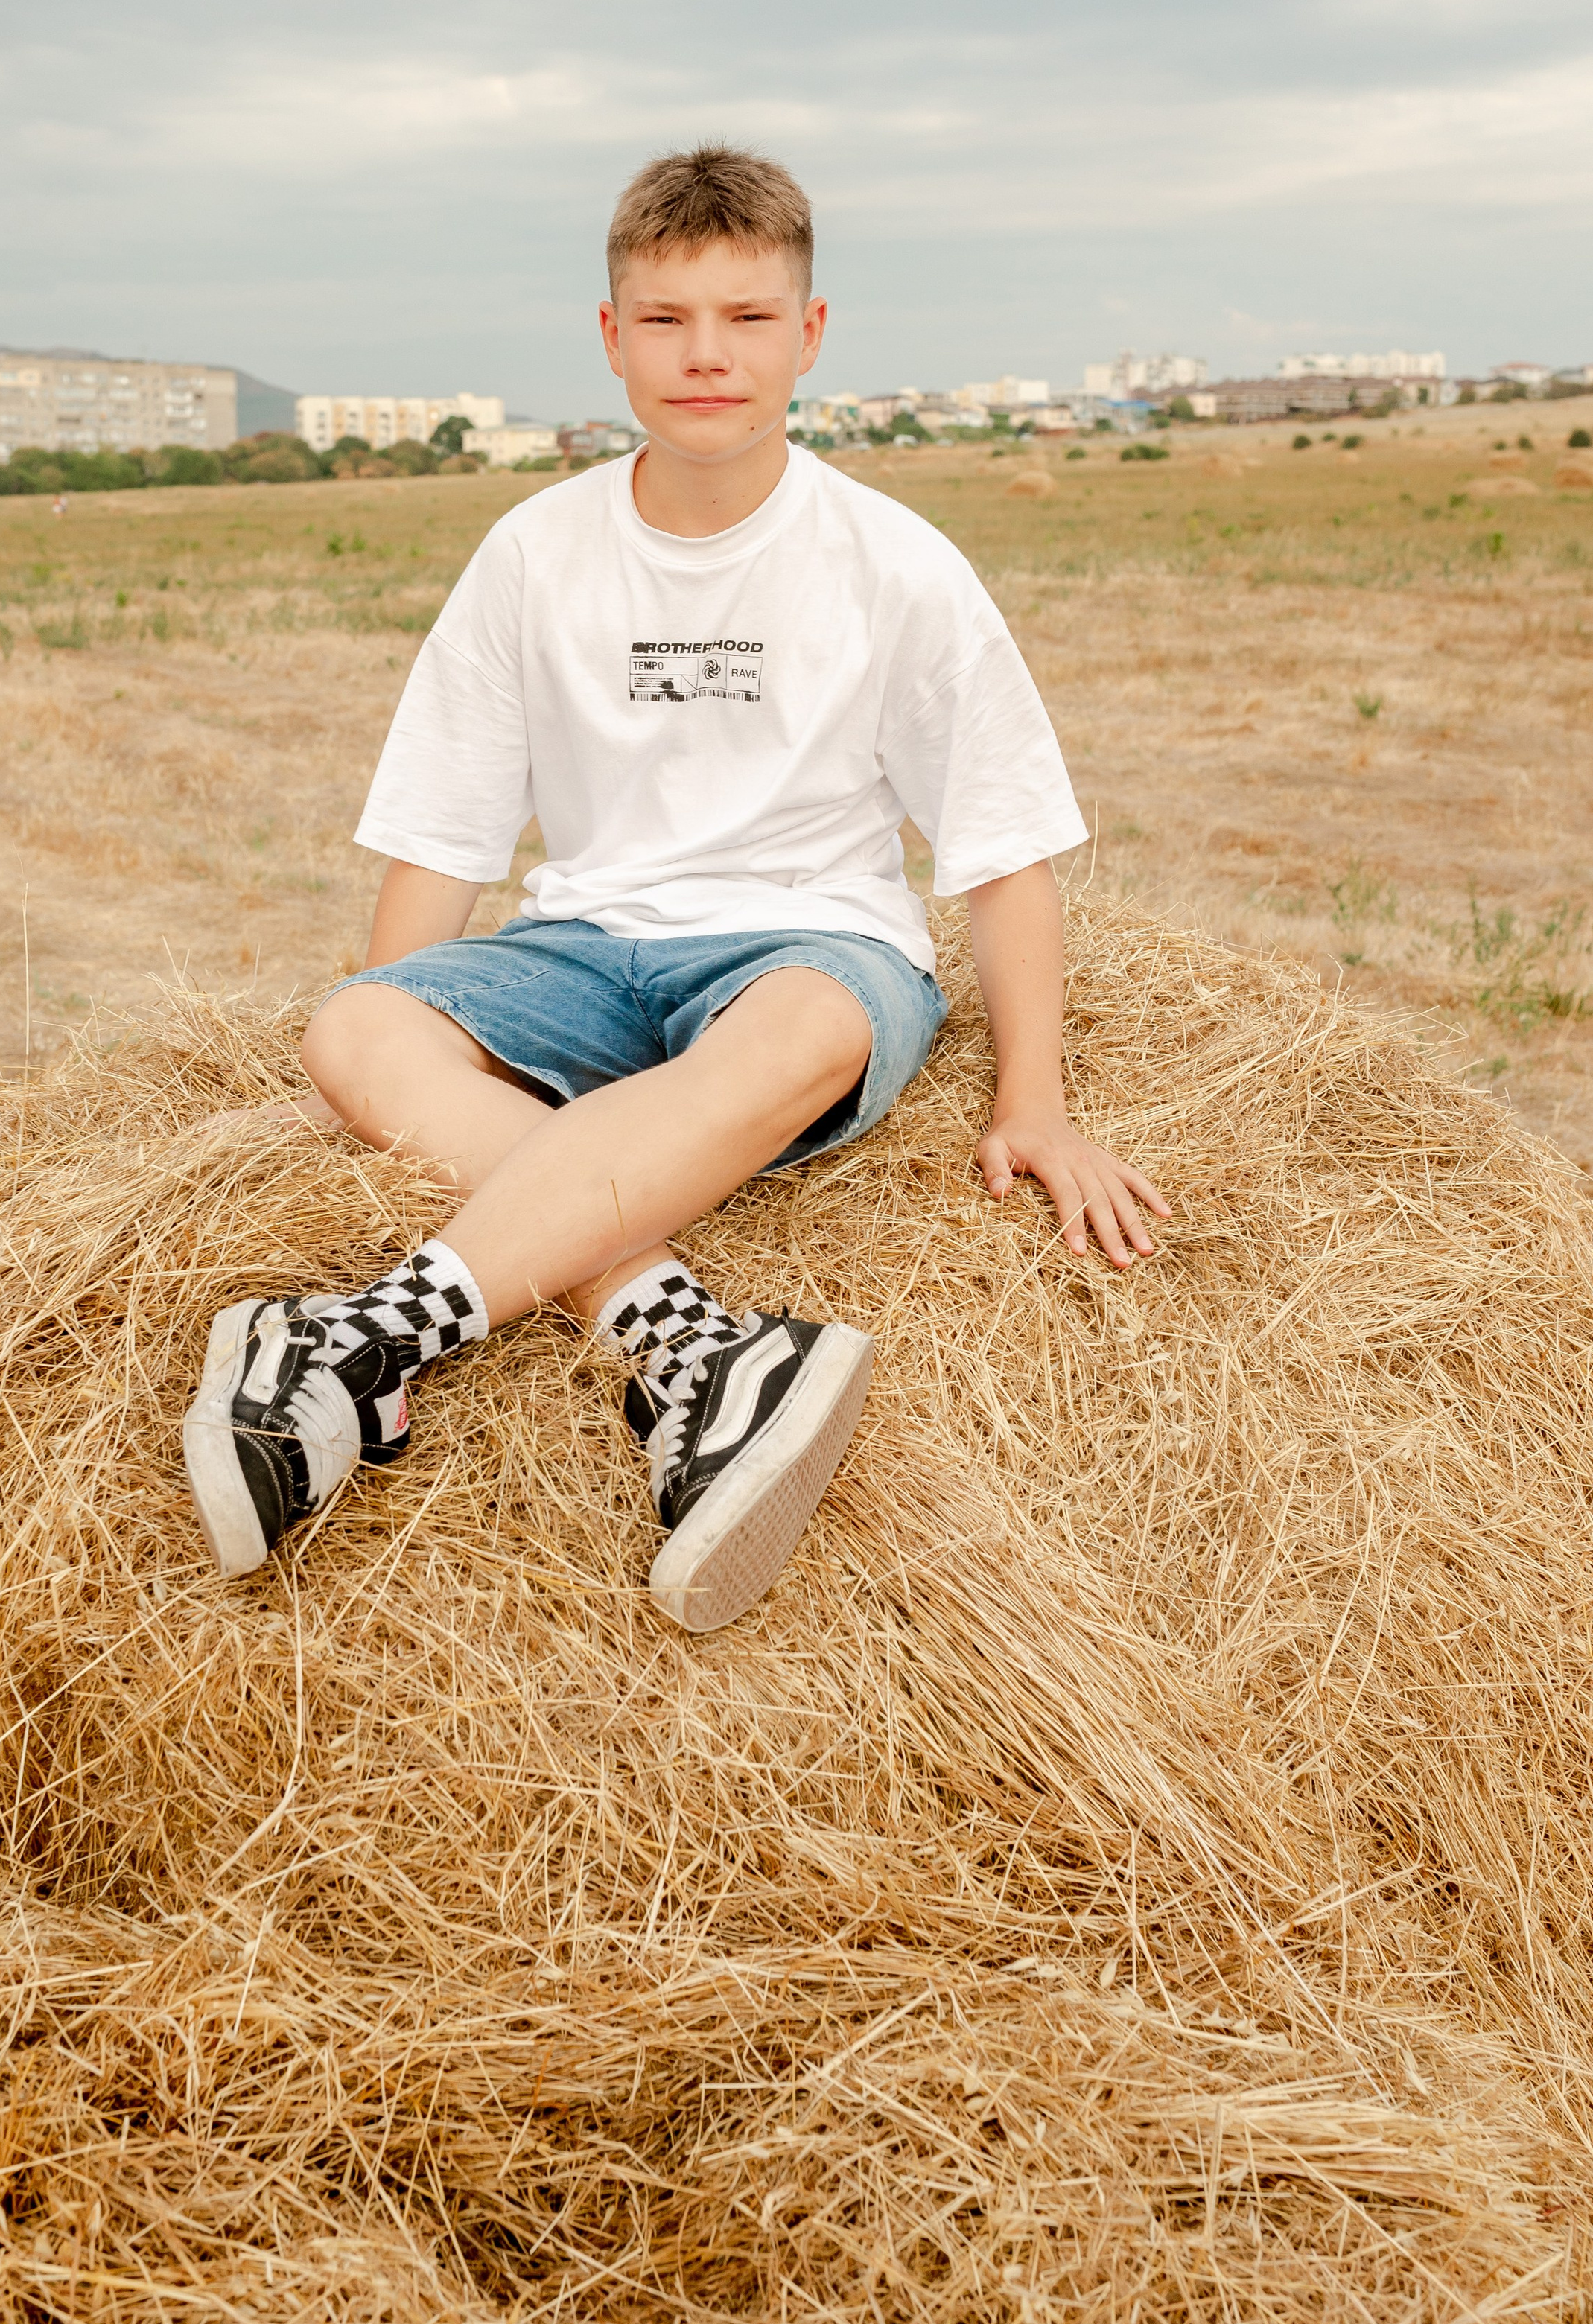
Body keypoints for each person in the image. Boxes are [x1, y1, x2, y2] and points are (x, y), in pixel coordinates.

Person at [183, 144, 1167, 1631]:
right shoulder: (532, 554)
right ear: (608, 338)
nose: (705, 355)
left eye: (746, 318)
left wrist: (1030, 1099)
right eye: (663, 321)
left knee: (803, 1034)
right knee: (351, 1030)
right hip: (579, 951)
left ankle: (356, 1349)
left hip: (801, 947)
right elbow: (446, 833)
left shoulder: (893, 567)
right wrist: (372, 1079)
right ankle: (691, 1346)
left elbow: (999, 847)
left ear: (810, 333)